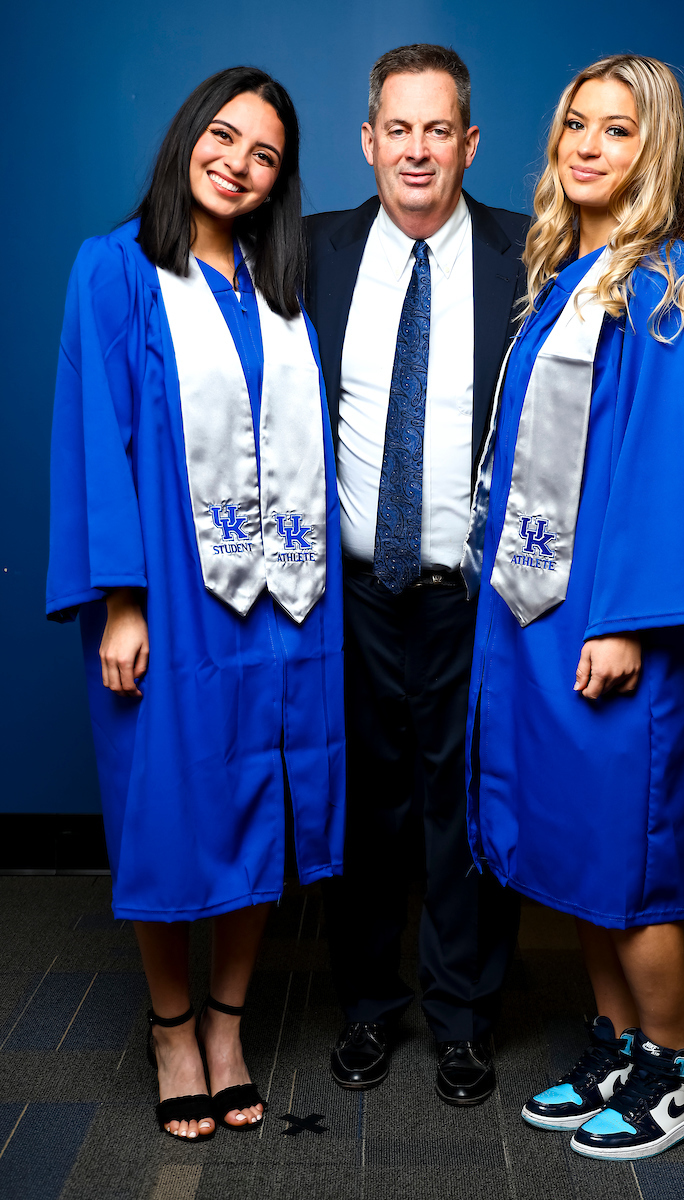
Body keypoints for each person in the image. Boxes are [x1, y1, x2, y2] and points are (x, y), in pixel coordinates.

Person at [46, 66, 345, 1141]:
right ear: (187, 139)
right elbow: (98, 438)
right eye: (223, 138)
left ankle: (227, 1025)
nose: (238, 163)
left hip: (288, 601)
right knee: (169, 811)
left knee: (262, 796)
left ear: (277, 181)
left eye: (264, 154)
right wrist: (120, 601)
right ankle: (171, 1029)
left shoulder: (280, 282)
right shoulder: (116, 270)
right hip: (172, 593)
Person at [464, 54, 684, 1159]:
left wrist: (623, 623)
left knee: (633, 858)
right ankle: (615, 1046)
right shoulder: (567, 278)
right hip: (539, 615)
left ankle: (677, 1070)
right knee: (577, 846)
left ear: (651, 150)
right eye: (575, 123)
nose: (586, 146)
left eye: (617, 131)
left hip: (611, 623)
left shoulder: (660, 282)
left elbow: (662, 471)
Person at [305, 43, 526, 1107]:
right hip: (350, 592)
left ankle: (462, 1020)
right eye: (398, 128)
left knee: (464, 810)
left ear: (469, 143)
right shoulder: (308, 254)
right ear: (367, 140)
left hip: (471, 602)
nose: (417, 150)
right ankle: (364, 1008)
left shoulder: (529, 260)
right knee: (366, 809)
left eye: (438, 129)